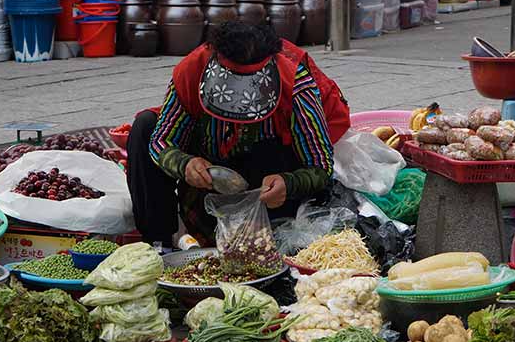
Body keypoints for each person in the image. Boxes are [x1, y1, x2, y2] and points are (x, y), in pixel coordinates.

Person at [127, 22, 350, 248]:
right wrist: (184, 164)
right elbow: (160, 141)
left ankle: (262, 240)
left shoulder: (295, 81)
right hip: (207, 183)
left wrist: (289, 183)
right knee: (144, 126)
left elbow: (321, 166)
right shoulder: (192, 69)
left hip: (267, 191)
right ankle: (158, 243)